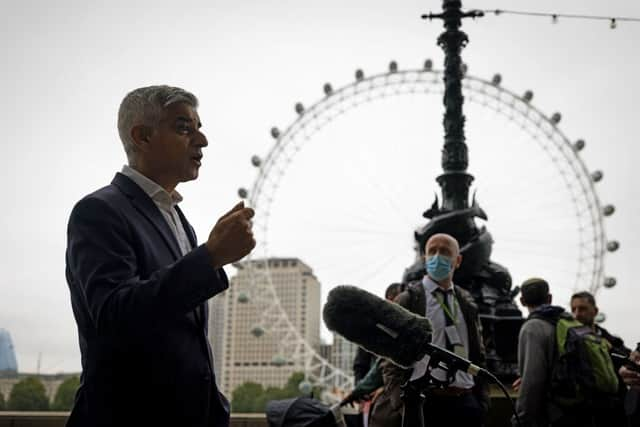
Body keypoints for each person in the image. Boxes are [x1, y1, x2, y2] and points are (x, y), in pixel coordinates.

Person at [65, 86, 256, 427]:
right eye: (184, 127)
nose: (202, 140)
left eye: (199, 127)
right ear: (142, 136)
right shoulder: (98, 211)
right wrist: (209, 257)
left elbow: (185, 336)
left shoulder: (179, 220)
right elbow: (114, 314)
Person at [368, 233, 489, 427]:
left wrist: (481, 401)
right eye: (432, 251)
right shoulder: (408, 300)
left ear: (457, 260)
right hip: (426, 403)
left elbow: (478, 353)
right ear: (424, 258)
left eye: (445, 251)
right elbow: (388, 359)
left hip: (466, 403)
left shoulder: (467, 304)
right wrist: (402, 404)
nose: (437, 256)